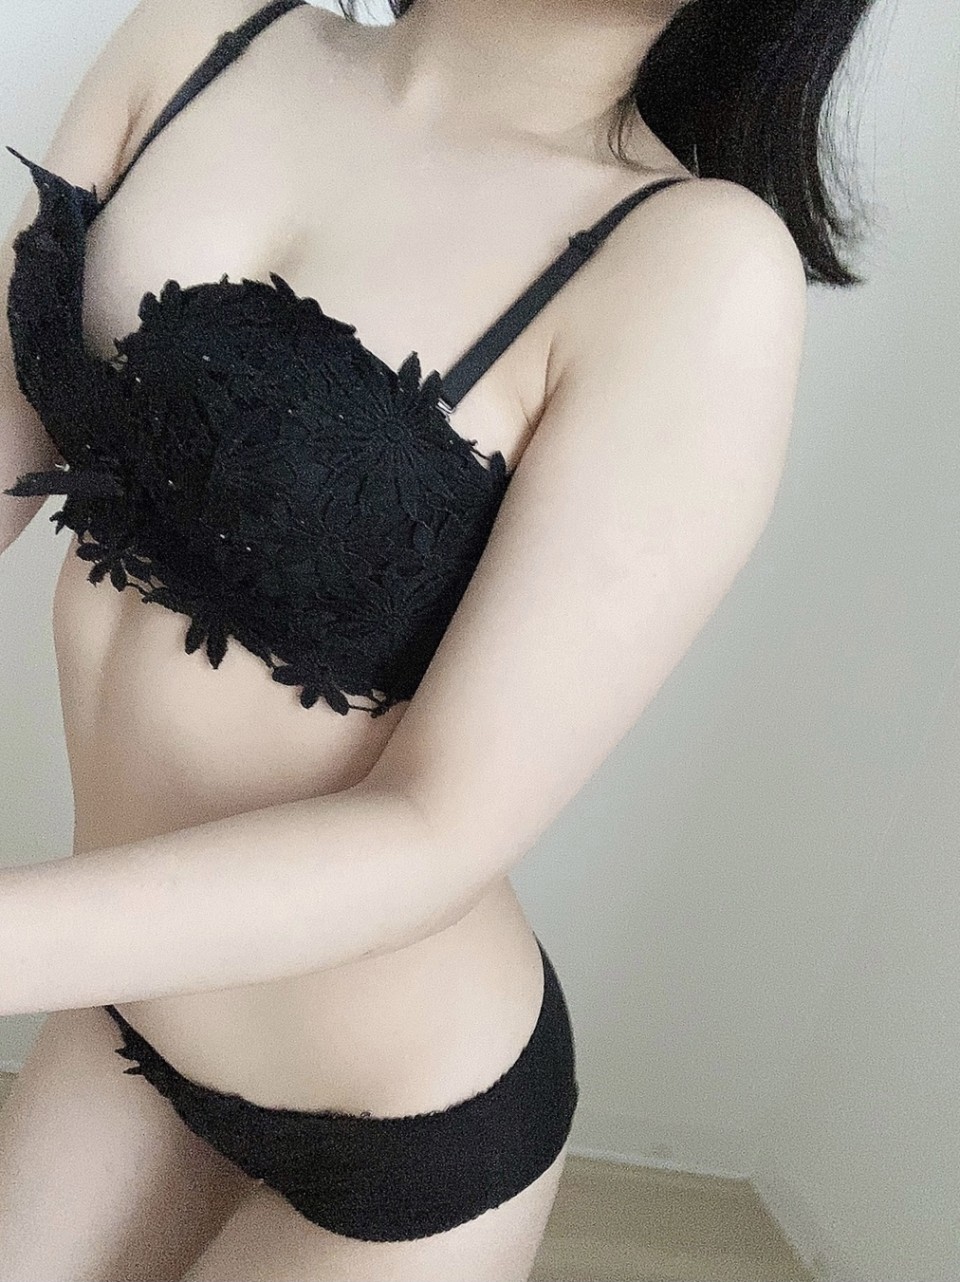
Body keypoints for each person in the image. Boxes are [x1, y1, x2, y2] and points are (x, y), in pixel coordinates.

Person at [0, 0, 872, 1277]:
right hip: (124, 993)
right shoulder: (199, 35)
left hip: (393, 1117)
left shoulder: (693, 265)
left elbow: (437, 829)